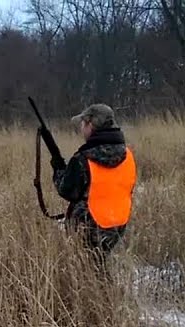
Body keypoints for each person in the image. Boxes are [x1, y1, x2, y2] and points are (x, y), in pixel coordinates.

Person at [49, 103, 137, 267]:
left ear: (90, 124)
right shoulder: (128, 155)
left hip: (90, 227)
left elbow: (66, 191)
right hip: (117, 225)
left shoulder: (83, 159)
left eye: (82, 123)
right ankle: (106, 290)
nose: (81, 128)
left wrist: (58, 168)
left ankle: (100, 291)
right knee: (99, 264)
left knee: (88, 270)